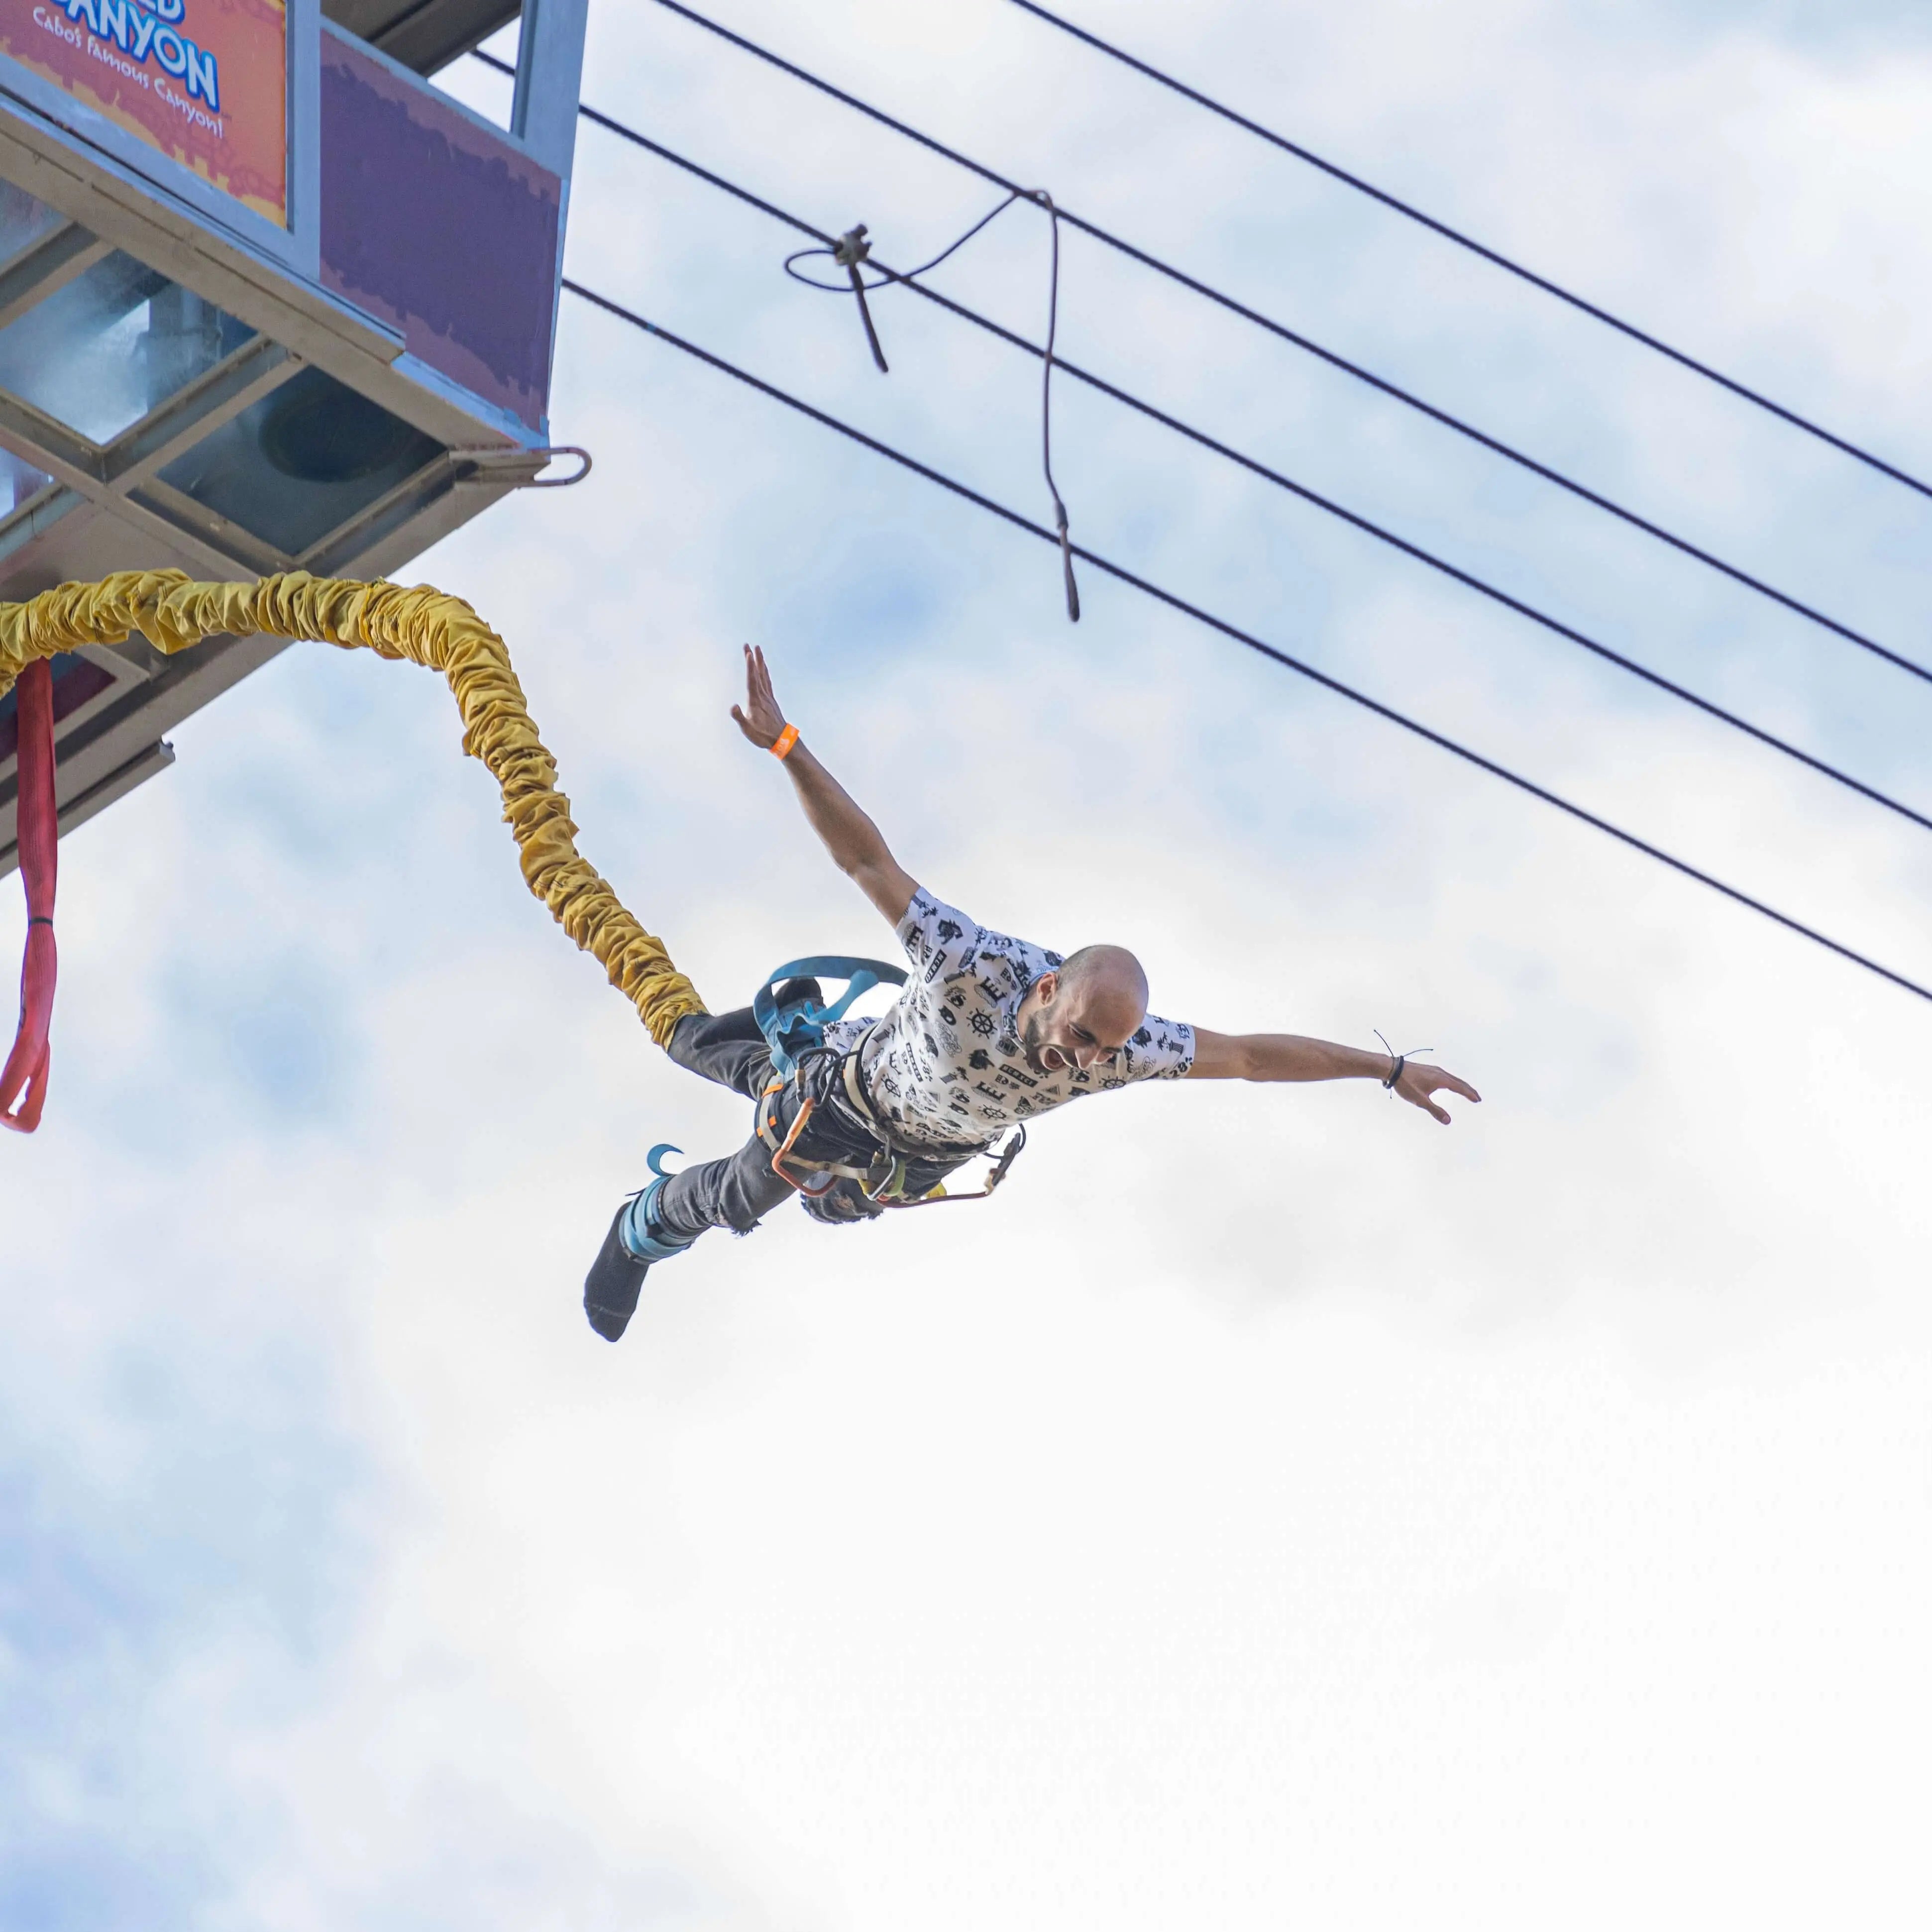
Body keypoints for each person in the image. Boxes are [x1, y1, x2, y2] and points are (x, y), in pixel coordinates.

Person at [584, 645, 1481, 1340]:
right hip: (842, 1091)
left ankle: (726, 1199)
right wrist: (787, 746)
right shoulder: (968, 961)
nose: (1087, 1060)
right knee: (739, 1156)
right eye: (1083, 1035)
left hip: (919, 1151)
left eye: (1102, 1051)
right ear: (1048, 988)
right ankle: (641, 1228)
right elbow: (867, 859)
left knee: (817, 1199)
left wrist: (1384, 1067)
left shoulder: (1130, 1050)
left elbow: (1248, 1057)